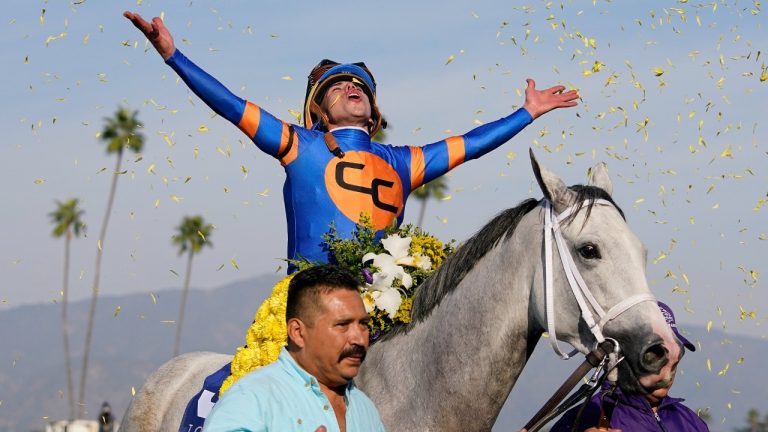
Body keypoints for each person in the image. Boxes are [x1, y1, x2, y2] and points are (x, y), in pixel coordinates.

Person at [123, 11, 580, 272]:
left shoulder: (405, 162)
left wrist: (527, 112)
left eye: (360, 85)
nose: (351, 88)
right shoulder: (297, 145)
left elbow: (472, 142)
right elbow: (227, 103)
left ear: (376, 112)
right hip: (307, 308)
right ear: (317, 111)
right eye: (337, 86)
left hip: (385, 310)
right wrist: (173, 56)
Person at [202, 264, 384, 431]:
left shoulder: (365, 409)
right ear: (297, 332)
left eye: (363, 324)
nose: (359, 339)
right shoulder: (251, 398)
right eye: (342, 325)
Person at [549, 301, 709, 432]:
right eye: (655, 357)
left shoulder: (691, 423)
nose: (667, 373)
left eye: (672, 360)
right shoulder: (586, 417)